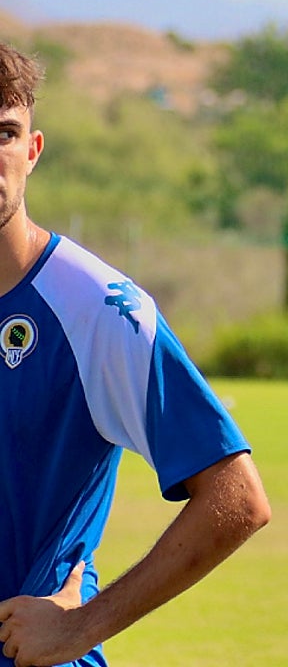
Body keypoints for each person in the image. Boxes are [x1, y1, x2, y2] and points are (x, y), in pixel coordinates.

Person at [0, 43, 271, 667]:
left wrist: (80, 627)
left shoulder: (94, 305)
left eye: (5, 133)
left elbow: (235, 497)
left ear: (33, 150)